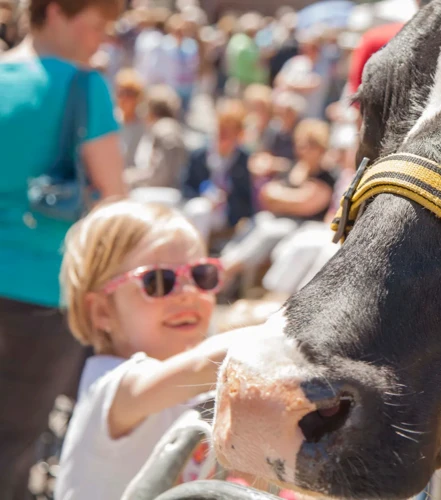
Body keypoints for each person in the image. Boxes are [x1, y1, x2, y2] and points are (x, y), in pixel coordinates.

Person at [0, 0, 126, 497]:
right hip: (43, 291)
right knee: (13, 441)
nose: (101, 40)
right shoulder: (83, 85)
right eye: (95, 25)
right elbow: (115, 198)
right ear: (53, 12)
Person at [53, 199, 245, 500]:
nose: (188, 294)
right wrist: (282, 335)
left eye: (200, 275)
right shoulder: (112, 385)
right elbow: (200, 366)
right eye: (159, 281)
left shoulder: (199, 389)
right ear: (103, 310)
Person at [222, 119, 335, 282]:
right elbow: (266, 195)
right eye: (301, 144)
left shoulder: (327, 176)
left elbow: (305, 205)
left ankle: (226, 271)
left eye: (310, 145)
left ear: (321, 148)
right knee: (255, 222)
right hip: (279, 218)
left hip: (303, 226)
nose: (304, 150)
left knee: (269, 230)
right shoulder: (294, 168)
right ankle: (224, 262)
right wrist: (290, 197)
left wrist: (282, 198)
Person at [182, 98, 255, 244]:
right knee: (198, 209)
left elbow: (247, 202)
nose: (222, 135)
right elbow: (186, 187)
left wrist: (226, 197)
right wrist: (205, 195)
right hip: (199, 206)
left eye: (228, 131)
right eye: (220, 128)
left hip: (227, 215)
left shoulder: (244, 160)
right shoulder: (200, 154)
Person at [126, 84, 187, 190]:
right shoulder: (165, 127)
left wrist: (130, 178)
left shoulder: (164, 129)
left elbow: (161, 176)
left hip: (161, 193)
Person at [115, 68, 146, 168]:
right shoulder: (113, 121)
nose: (124, 99)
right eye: (121, 94)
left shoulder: (145, 123)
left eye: (129, 94)